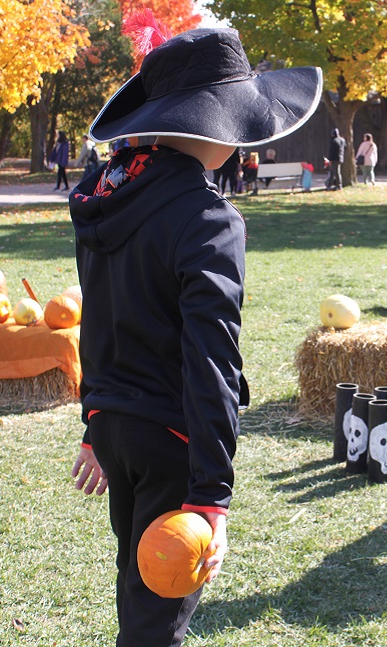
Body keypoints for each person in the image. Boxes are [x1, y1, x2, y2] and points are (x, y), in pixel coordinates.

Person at [68, 25, 322, 647]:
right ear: (220, 122)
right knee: (160, 618)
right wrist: (212, 495)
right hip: (170, 438)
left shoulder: (107, 194)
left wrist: (94, 420)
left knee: (141, 588)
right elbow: (210, 357)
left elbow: (99, 318)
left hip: (115, 427)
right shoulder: (208, 218)